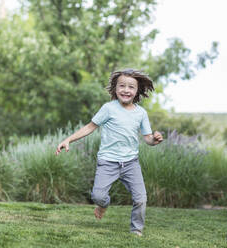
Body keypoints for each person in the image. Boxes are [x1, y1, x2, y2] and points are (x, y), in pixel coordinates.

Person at [55, 68, 163, 236]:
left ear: (137, 91)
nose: (126, 90)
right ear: (115, 88)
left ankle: (136, 230)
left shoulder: (141, 113)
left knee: (141, 198)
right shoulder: (108, 108)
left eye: (131, 87)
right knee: (98, 196)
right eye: (122, 86)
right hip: (108, 162)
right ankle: (103, 205)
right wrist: (68, 139)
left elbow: (147, 139)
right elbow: (90, 127)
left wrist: (154, 140)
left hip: (130, 163)